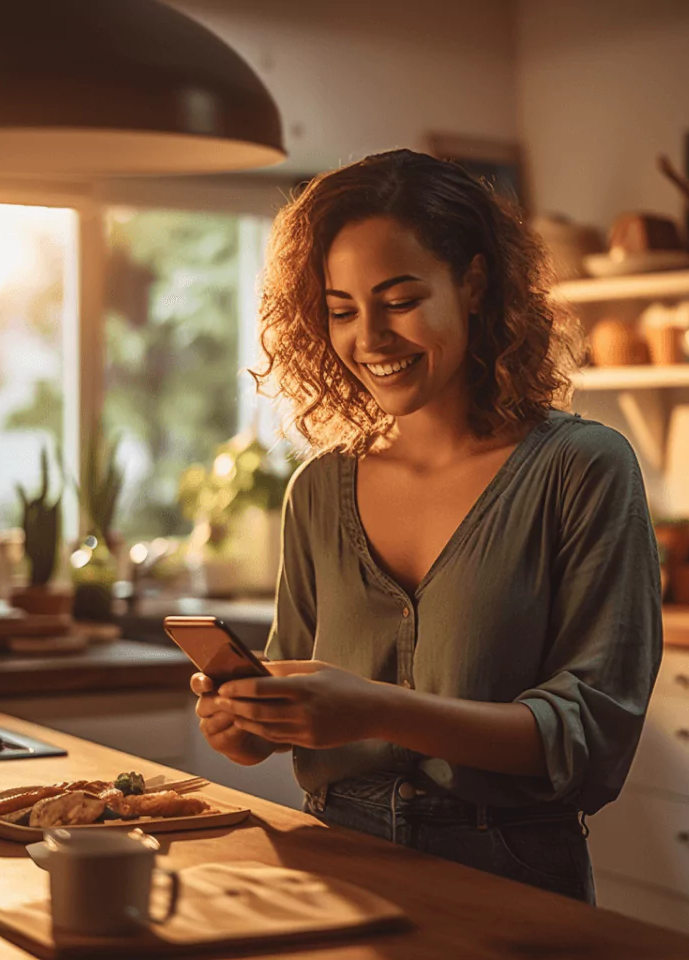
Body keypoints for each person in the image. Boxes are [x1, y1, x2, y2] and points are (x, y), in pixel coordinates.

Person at [192, 148, 663, 905]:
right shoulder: (318, 489)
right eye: (341, 310)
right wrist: (246, 721)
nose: (369, 338)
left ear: (473, 283)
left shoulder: (583, 468)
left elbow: (592, 738)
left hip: (510, 874)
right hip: (332, 860)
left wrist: (375, 708)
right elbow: (288, 693)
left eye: (400, 299)